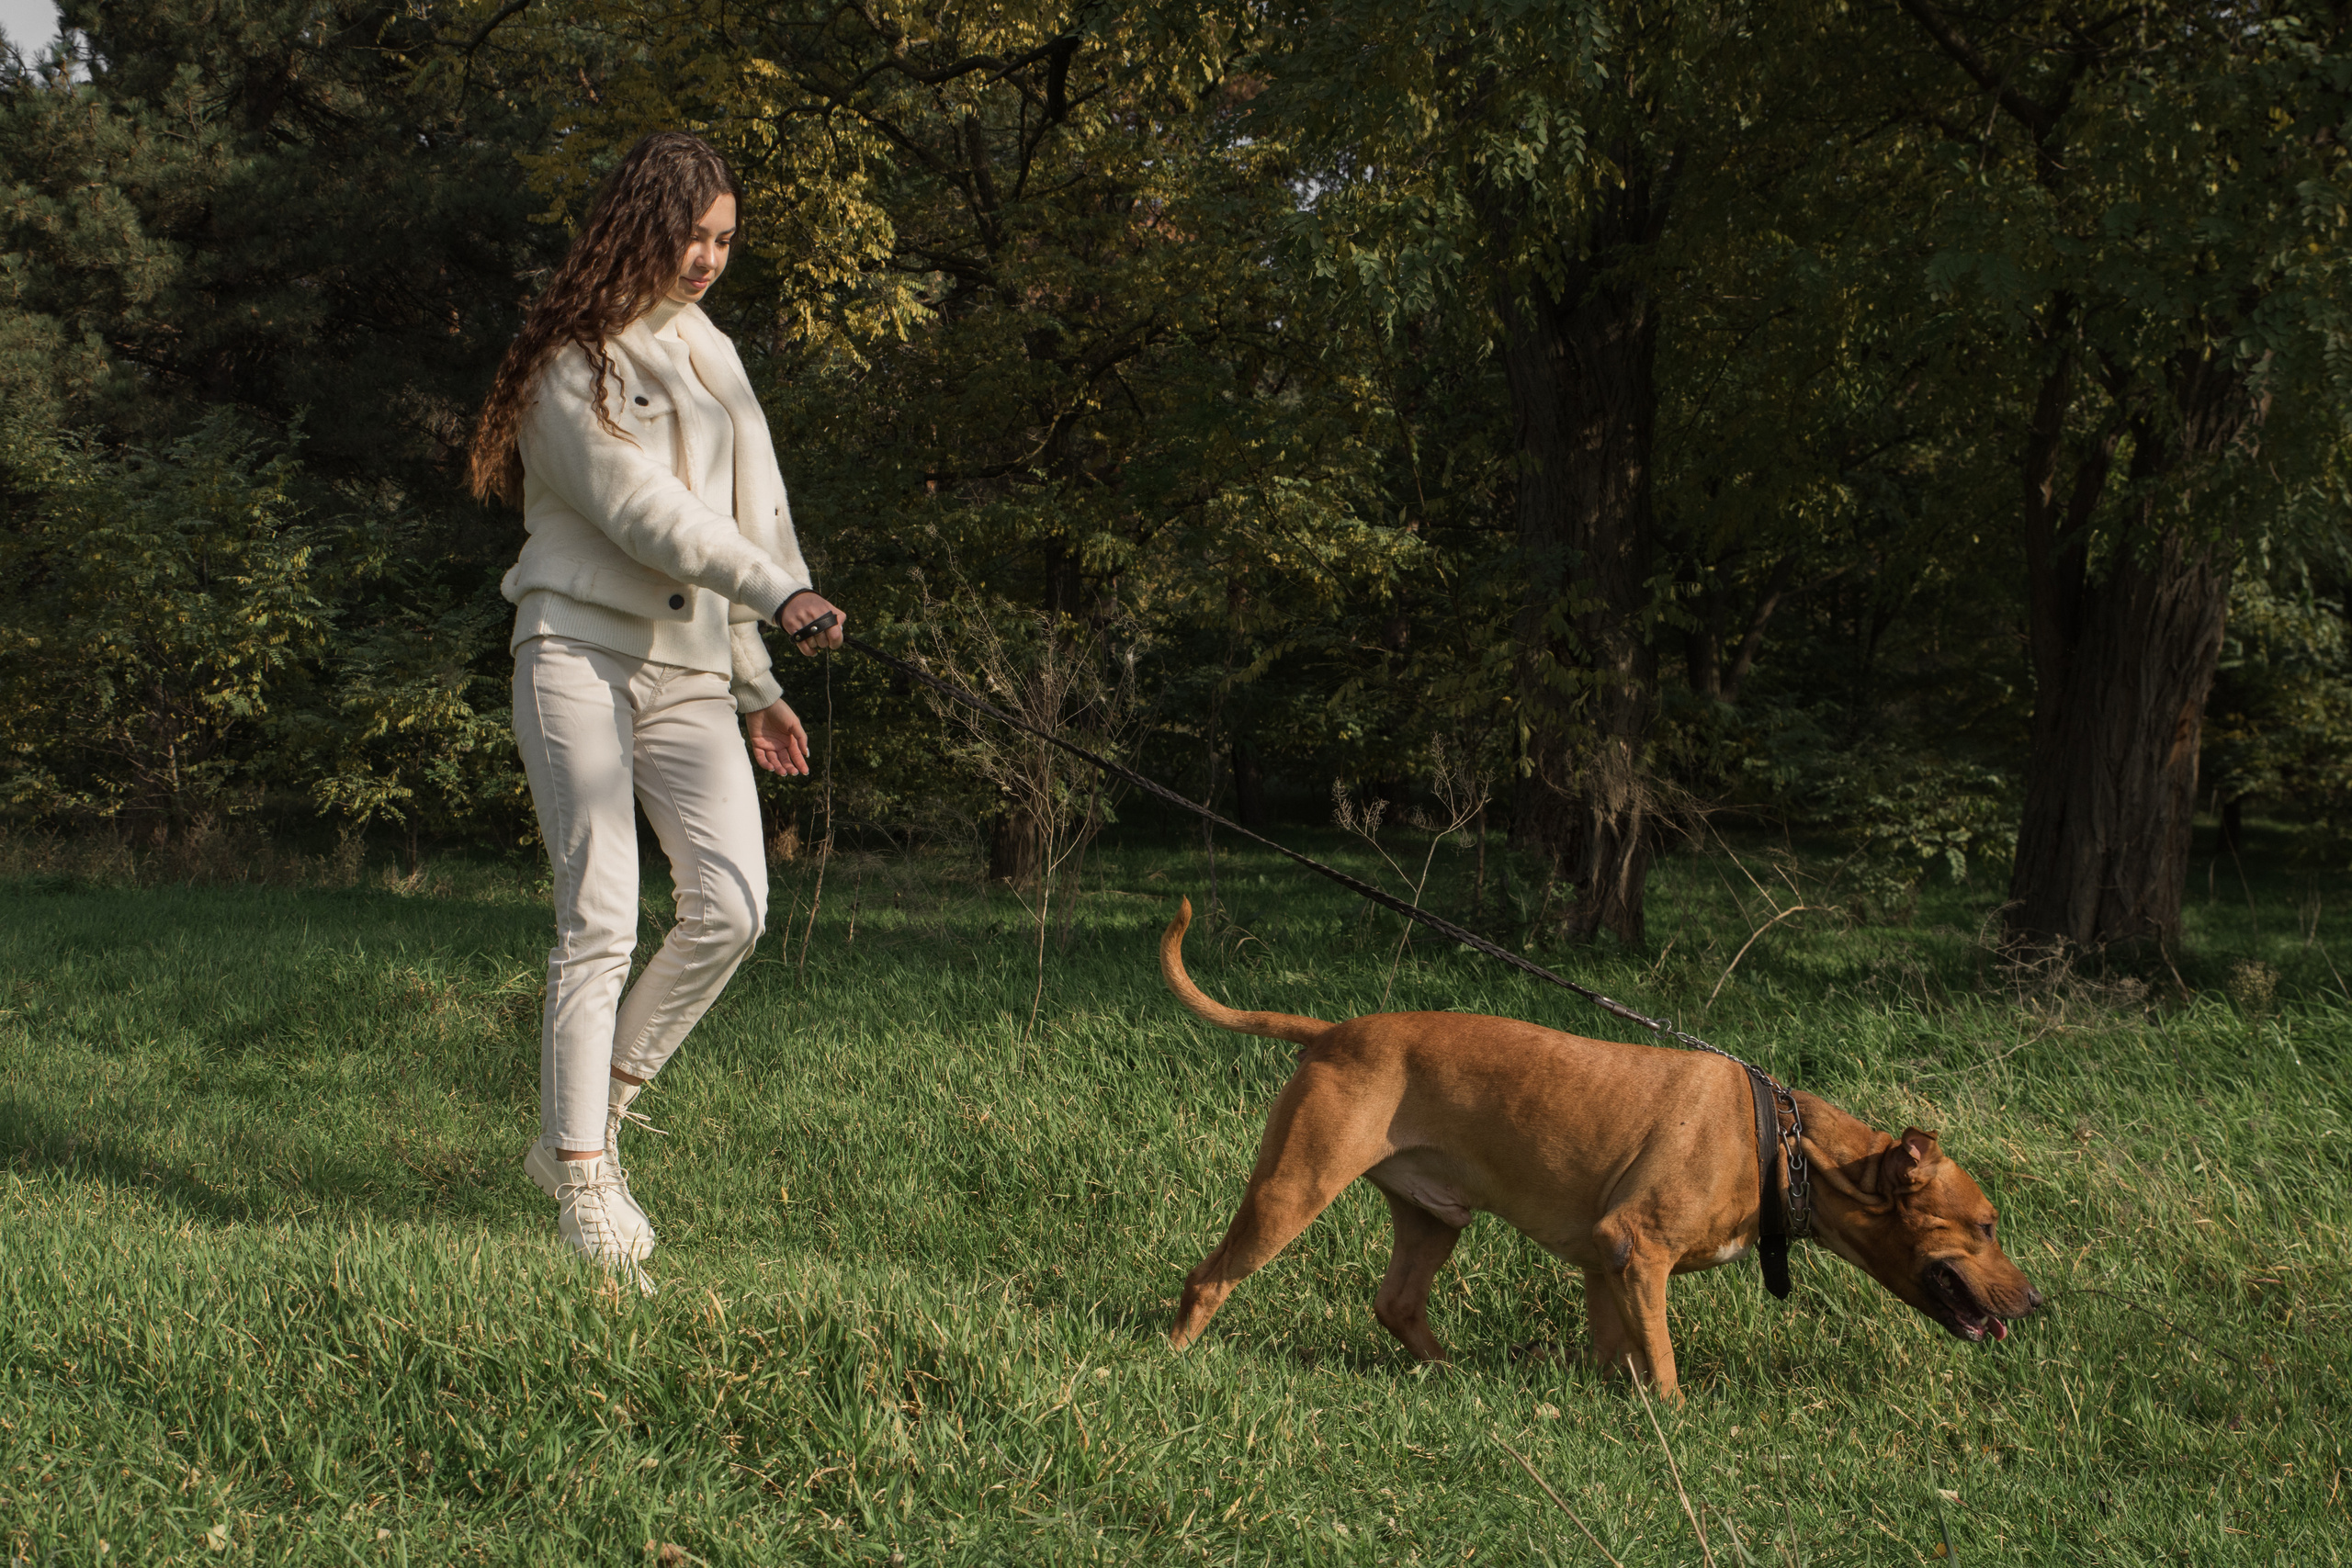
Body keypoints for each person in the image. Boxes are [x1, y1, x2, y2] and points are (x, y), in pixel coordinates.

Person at [466, 130, 844, 1292]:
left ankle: (592, 1115)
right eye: (691, 235)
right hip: (576, 648)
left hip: (689, 669)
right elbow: (641, 512)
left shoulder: (713, 350)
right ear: (639, 223)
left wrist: (758, 680)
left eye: (725, 240)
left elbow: (748, 511)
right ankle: (584, 1175)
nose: (708, 258)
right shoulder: (568, 361)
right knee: (603, 912)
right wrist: (780, 597)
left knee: (732, 905)